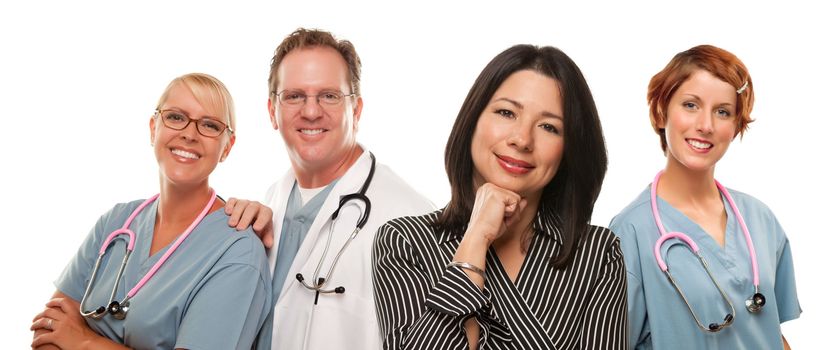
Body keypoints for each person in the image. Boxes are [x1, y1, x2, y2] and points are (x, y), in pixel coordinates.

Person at [373, 45, 627, 350]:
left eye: (549, 127)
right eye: (506, 113)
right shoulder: (404, 241)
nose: (522, 139)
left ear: (568, 150)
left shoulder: (598, 254)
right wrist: (476, 239)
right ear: (473, 120)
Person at [30, 73, 272, 349]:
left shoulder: (237, 251)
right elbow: (48, 330)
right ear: (153, 128)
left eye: (209, 125)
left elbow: (66, 335)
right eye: (176, 117)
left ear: (227, 147)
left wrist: (83, 340)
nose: (189, 134)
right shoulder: (116, 223)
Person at [226, 28, 434, 350]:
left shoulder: (415, 220)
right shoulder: (272, 202)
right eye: (294, 96)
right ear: (272, 112)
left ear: (357, 110)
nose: (311, 111)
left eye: (329, 95)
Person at [609, 45, 801, 349]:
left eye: (722, 111)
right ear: (661, 113)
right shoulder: (629, 232)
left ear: (736, 125)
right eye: (690, 105)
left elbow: (769, 331)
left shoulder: (759, 218)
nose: (706, 125)